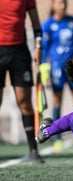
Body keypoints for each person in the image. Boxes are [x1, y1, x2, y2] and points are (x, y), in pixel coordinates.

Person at [40, 0, 73, 152]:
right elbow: (45, 47)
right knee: (57, 102)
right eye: (59, 3)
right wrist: (44, 64)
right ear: (53, 5)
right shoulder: (48, 25)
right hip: (56, 68)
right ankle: (57, 138)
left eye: (64, 3)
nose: (62, 6)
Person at [0, 0, 43, 163]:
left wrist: (39, 47)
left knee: (24, 102)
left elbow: (36, 25)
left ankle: (33, 150)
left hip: (19, 52)